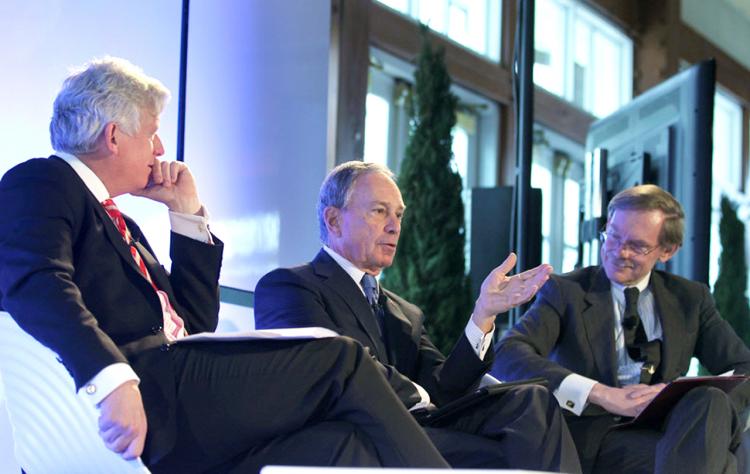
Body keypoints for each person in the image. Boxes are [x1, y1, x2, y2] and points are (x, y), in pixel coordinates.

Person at [0, 57, 452, 473]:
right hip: (151, 391)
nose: (160, 149)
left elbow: (196, 323)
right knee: (342, 358)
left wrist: (186, 214)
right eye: (152, 133)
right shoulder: (41, 181)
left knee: (342, 445)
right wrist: (110, 379)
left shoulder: (126, 226)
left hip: (186, 392)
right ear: (114, 135)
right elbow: (34, 282)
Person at [254, 160, 581, 472]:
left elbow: (446, 388)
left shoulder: (405, 312)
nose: (394, 226)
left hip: (419, 428)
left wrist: (483, 313)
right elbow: (334, 367)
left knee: (531, 402)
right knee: (510, 454)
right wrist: (420, 395)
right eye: (380, 211)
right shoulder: (291, 287)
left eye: (398, 215)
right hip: (355, 434)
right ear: (334, 220)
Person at [491, 184, 750, 473]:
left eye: (637, 246)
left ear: (667, 251)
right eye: (612, 237)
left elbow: (744, 367)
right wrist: (601, 393)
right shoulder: (567, 292)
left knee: (710, 398)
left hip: (670, 430)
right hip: (596, 437)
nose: (619, 252)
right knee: (723, 463)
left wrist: (670, 395)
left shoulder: (690, 299)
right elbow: (508, 354)